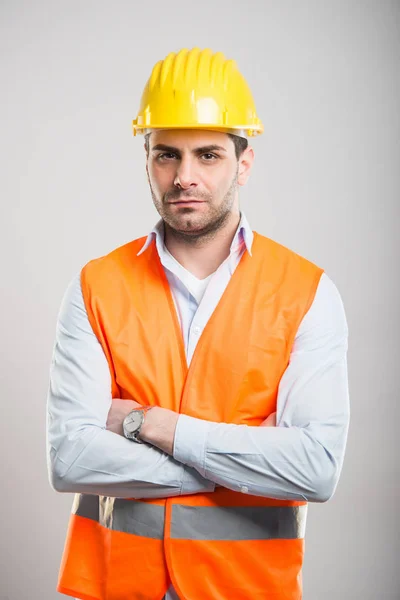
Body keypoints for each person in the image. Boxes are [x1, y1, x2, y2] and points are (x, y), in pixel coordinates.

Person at [46, 47, 350, 600]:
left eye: (208, 155)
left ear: (244, 162)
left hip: (246, 590)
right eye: (166, 155)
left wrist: (147, 424)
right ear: (146, 161)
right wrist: (240, 464)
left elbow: (316, 470)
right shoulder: (96, 285)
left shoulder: (306, 293)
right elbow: (70, 458)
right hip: (117, 589)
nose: (184, 177)